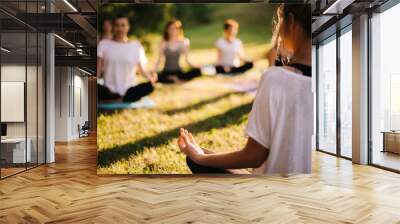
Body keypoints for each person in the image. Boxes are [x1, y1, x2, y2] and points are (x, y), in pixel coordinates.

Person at [177, 4, 313, 175]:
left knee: (196, 159)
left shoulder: (276, 78)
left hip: (269, 192)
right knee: (202, 153)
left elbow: (254, 157)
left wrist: (199, 157)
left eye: (281, 20)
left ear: (291, 21)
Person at [97, 15, 157, 103]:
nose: (120, 28)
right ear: (113, 27)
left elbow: (140, 69)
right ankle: (120, 98)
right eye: (117, 25)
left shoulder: (136, 46)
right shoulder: (104, 44)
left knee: (150, 86)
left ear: (128, 27)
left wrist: (150, 77)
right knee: (93, 86)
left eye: (123, 25)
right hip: (109, 90)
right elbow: (98, 70)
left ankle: (117, 99)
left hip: (129, 90)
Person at [153, 19, 201, 84]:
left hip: (179, 72)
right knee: (154, 76)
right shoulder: (164, 42)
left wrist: (196, 67)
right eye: (170, 28)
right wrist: (154, 71)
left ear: (179, 29)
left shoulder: (184, 42)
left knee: (197, 71)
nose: (173, 30)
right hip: (166, 72)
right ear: (167, 30)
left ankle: (174, 79)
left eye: (175, 28)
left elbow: (187, 60)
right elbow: (159, 60)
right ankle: (172, 79)